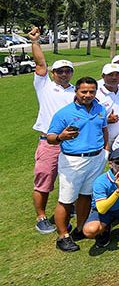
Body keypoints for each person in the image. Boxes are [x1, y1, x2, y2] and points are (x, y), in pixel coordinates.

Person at [46, 77, 110, 252]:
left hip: (96, 158)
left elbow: (104, 129)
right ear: (76, 92)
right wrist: (60, 137)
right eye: (84, 91)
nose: (88, 95)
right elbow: (50, 137)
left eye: (91, 91)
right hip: (73, 161)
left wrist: (106, 150)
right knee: (66, 200)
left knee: (86, 195)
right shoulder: (64, 113)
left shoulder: (100, 109)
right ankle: (63, 236)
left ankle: (80, 228)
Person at [29, 26, 76, 234]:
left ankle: (68, 207)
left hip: (72, 143)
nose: (64, 74)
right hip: (49, 142)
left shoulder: (77, 91)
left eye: (68, 71)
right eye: (60, 71)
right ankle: (41, 216)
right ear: (53, 73)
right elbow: (40, 64)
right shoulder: (45, 86)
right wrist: (35, 42)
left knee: (71, 178)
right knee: (44, 180)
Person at [96, 63, 119, 144]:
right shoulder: (96, 94)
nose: (114, 77)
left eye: (118, 74)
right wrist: (106, 120)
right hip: (103, 139)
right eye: (110, 74)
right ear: (103, 76)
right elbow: (89, 118)